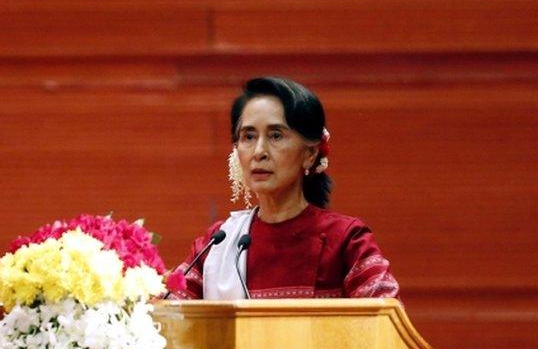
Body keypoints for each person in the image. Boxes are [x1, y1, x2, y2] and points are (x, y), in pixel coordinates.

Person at [169, 77, 399, 300]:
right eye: (248, 136)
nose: (259, 151)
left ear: (310, 154)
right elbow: (170, 317)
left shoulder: (345, 239)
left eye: (276, 135)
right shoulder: (219, 242)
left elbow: (385, 320)